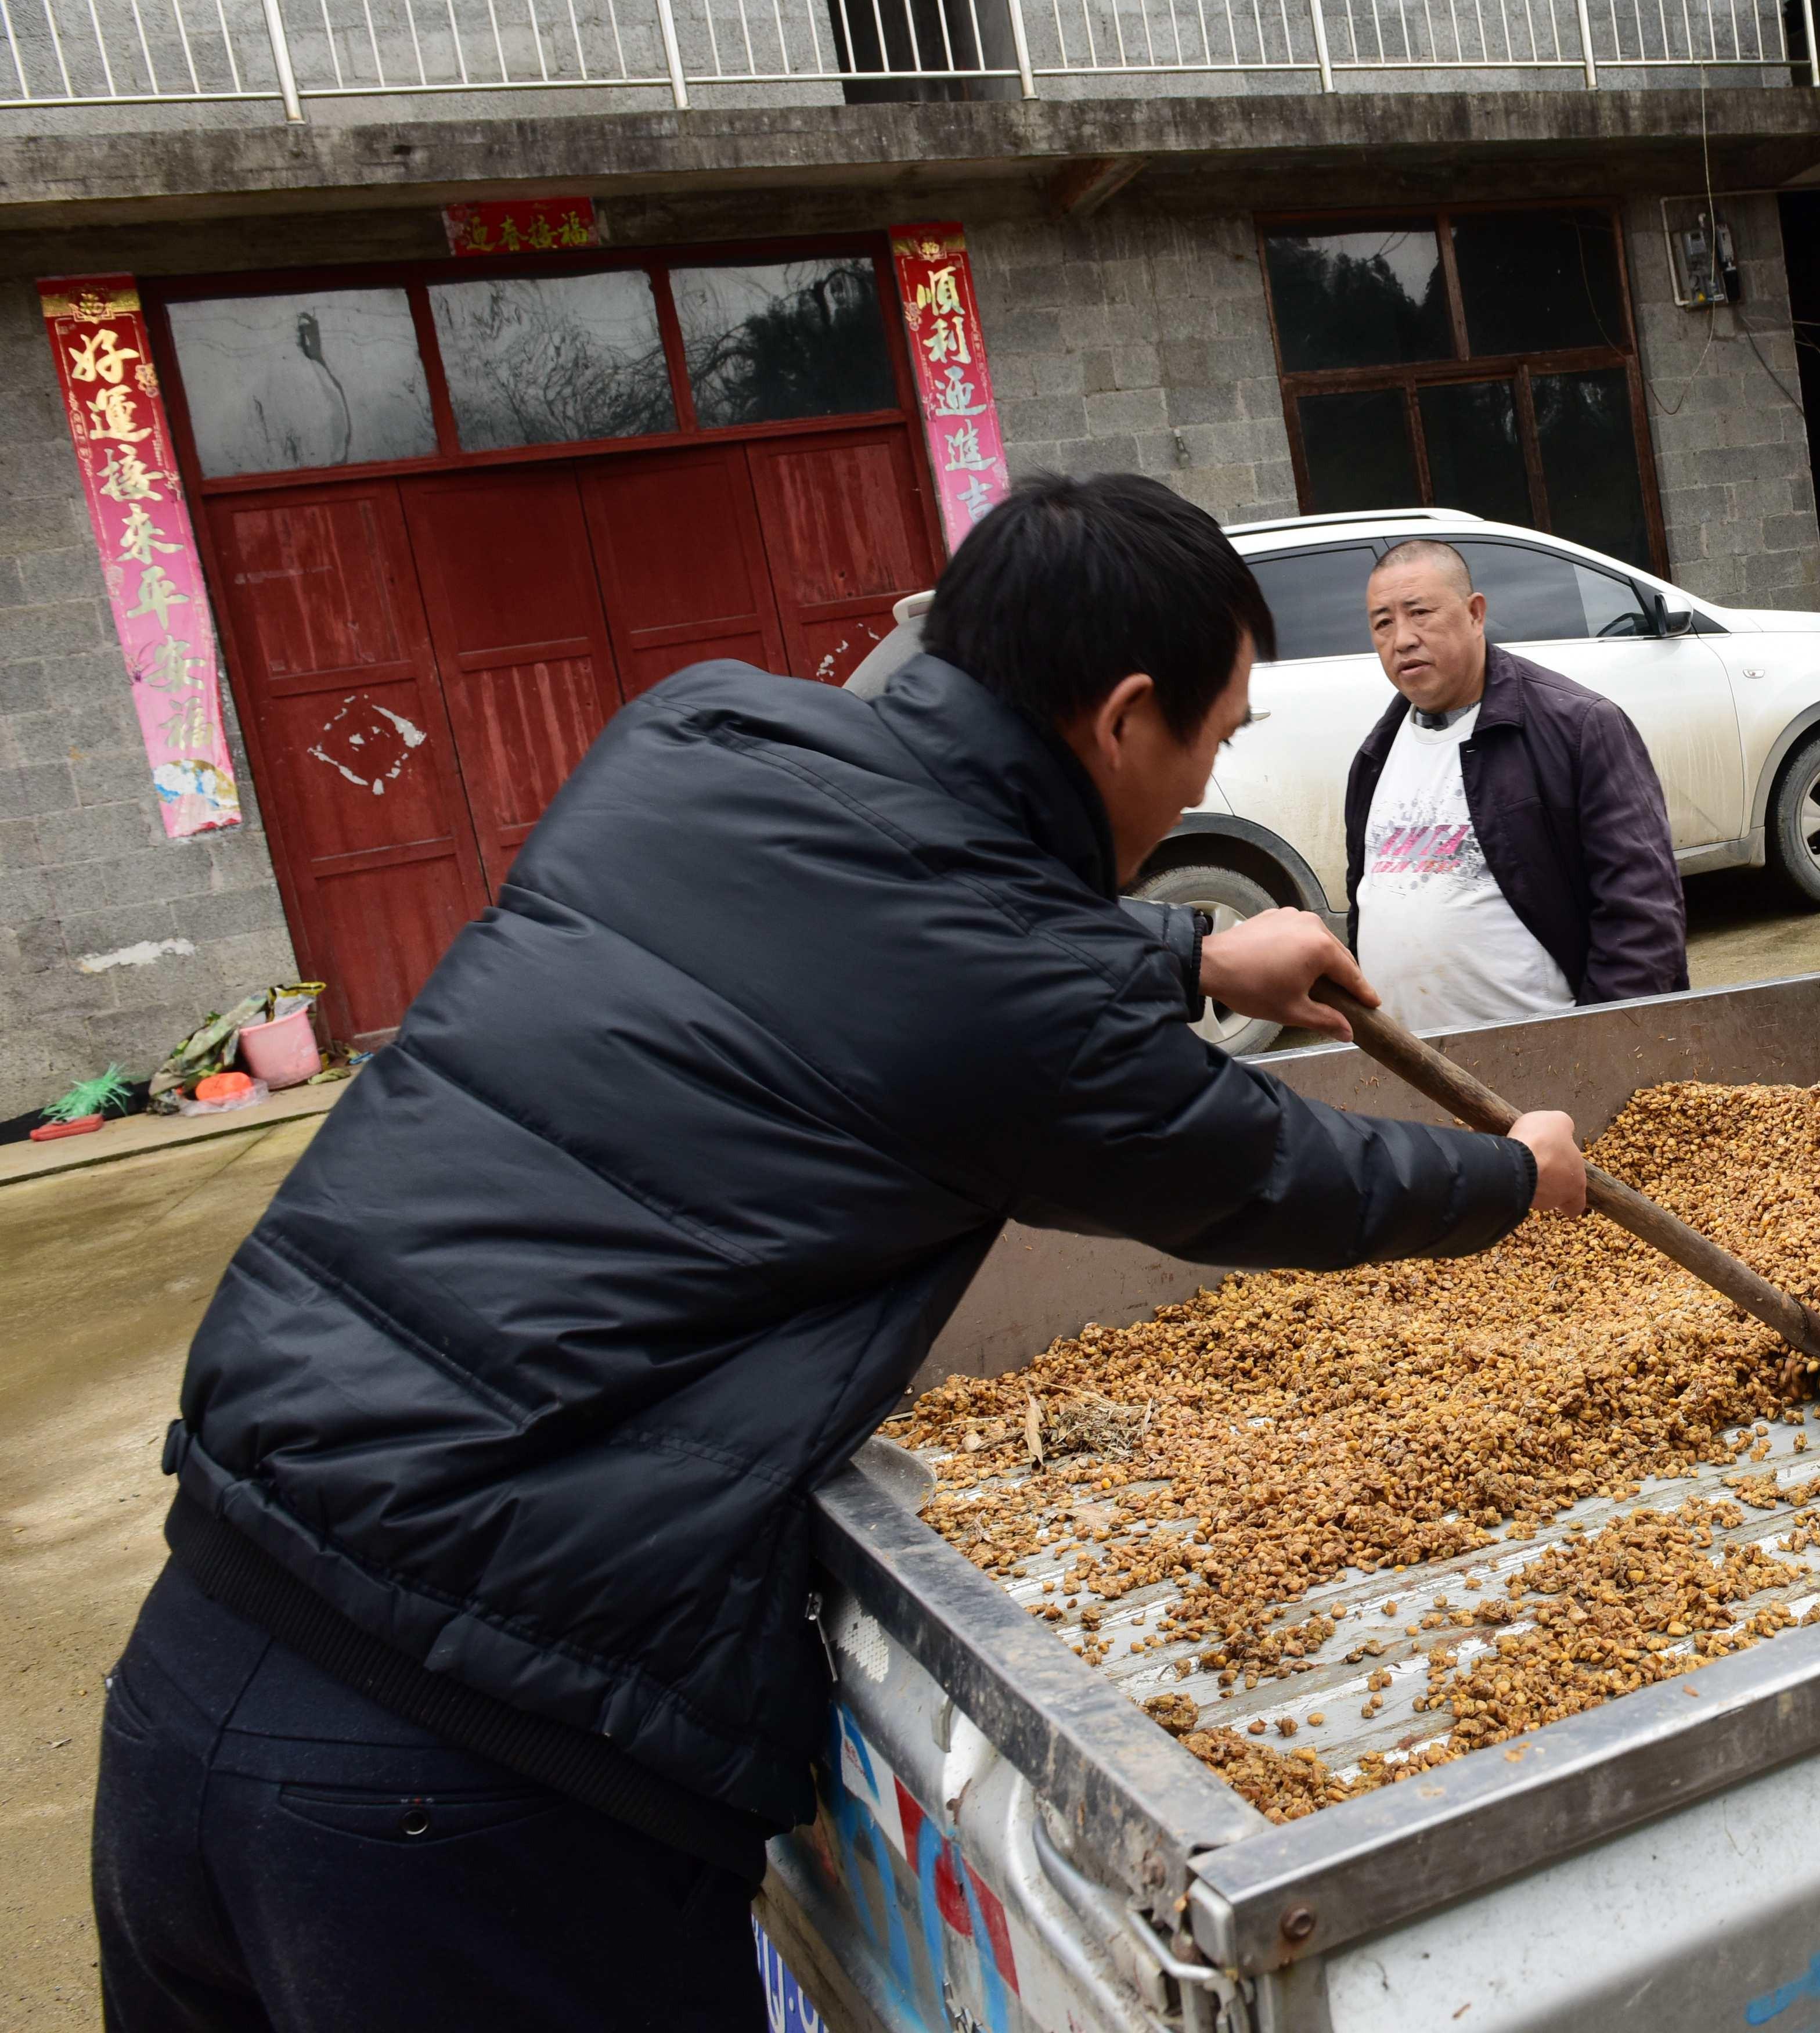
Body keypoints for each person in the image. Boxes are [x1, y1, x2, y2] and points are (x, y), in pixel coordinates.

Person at [91, 474, 1587, 2032]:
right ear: (1126, 720)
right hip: (466, 1795)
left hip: (194, 1674)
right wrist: (1506, 1175)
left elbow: (887, 935)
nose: (1208, 775)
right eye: (1214, 741)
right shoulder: (1025, 1014)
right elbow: (1273, 1172)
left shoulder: (698, 735)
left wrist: (1190, 951)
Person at [1345, 538, 1687, 1035]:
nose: (1402, 639)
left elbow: (1642, 914)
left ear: (1475, 614)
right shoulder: (1376, 756)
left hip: (1548, 1069)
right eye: (1383, 622)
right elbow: (1363, 902)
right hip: (1415, 1074)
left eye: (1419, 613)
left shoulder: (1579, 728)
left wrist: (1604, 1046)